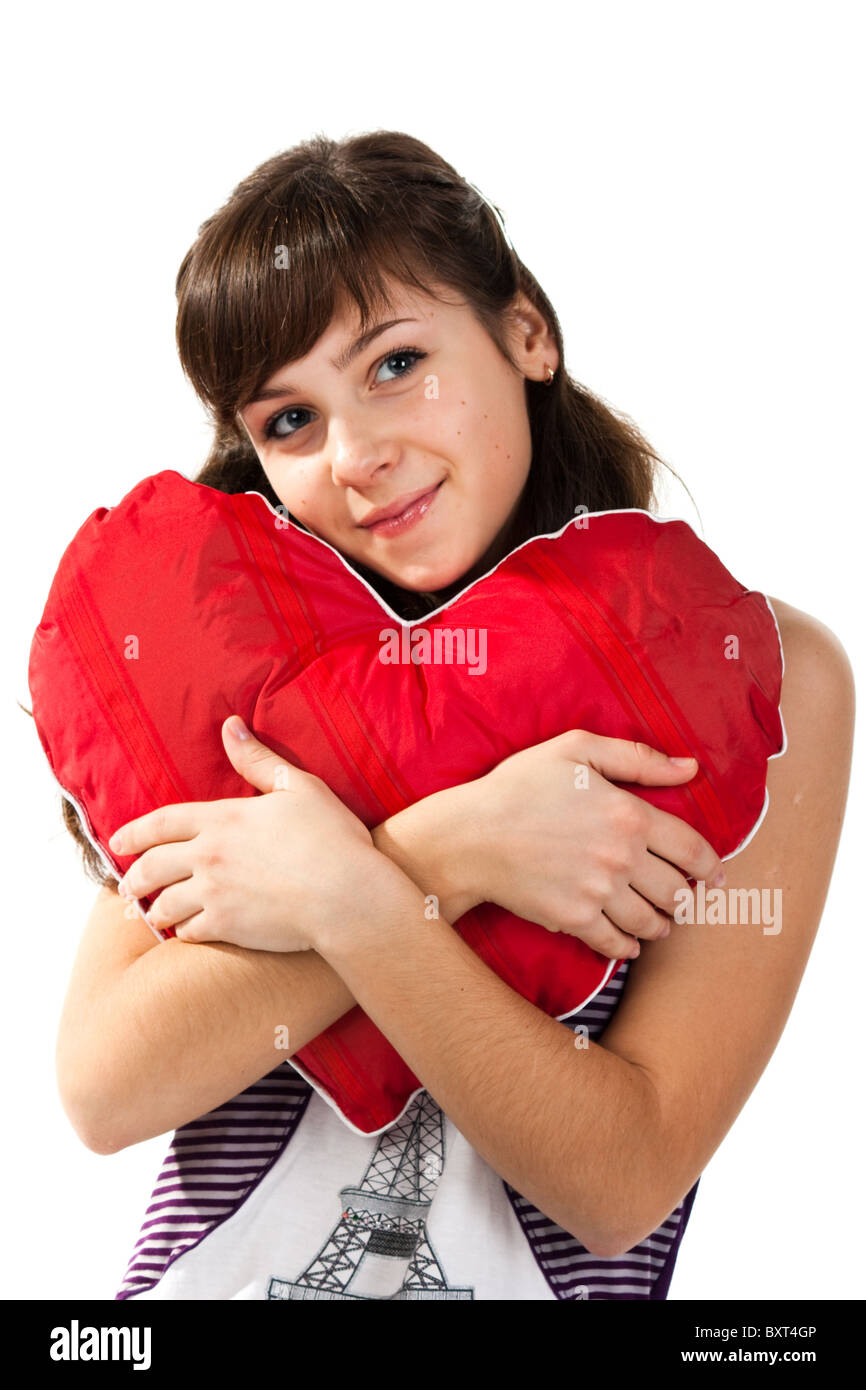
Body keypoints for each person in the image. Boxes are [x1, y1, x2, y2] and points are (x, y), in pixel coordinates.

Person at [50, 131, 854, 1300]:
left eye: (393, 363)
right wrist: (451, 846)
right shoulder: (236, 676)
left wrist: (341, 891)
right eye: (288, 421)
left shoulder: (747, 671)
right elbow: (104, 1089)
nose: (358, 456)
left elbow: (618, 1181)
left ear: (526, 330)